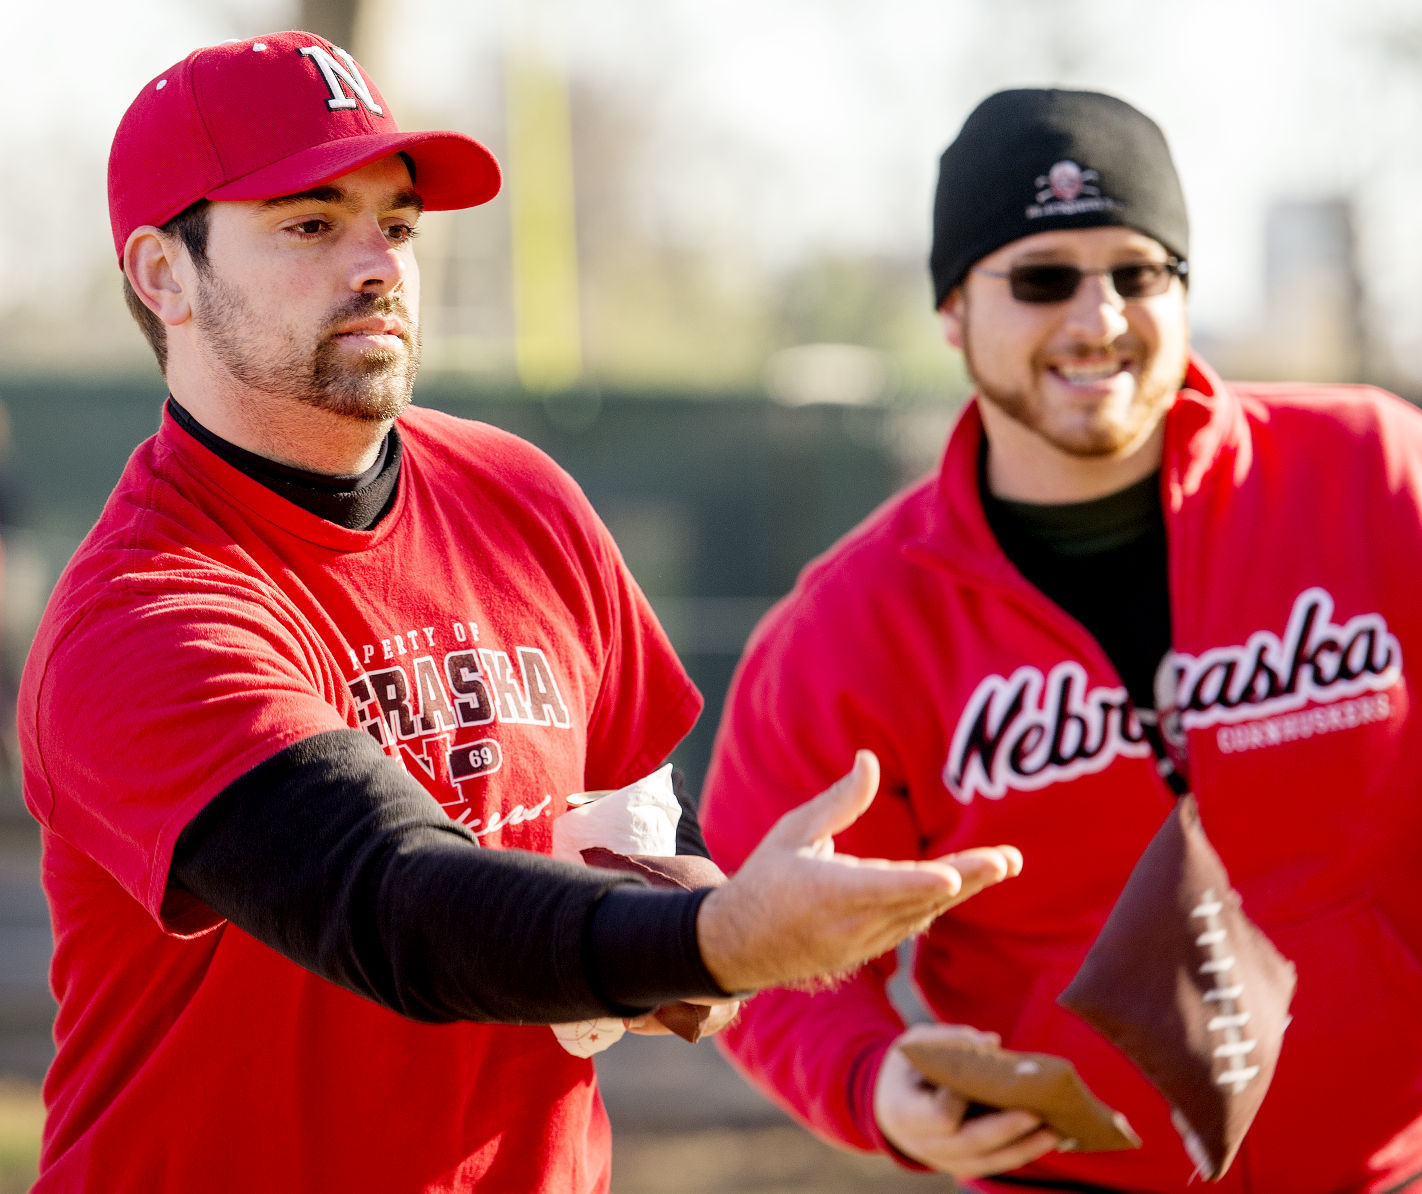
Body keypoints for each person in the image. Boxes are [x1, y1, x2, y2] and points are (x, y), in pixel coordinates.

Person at [17, 33, 1027, 1194]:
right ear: (162, 275)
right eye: (309, 224)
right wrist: (725, 938)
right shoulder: (144, 610)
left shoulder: (518, 493)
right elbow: (390, 901)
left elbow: (636, 810)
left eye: (395, 226)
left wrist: (688, 899)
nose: (379, 264)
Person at [699, 86, 1422, 1193]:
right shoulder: (852, 625)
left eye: (1138, 273)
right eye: (1041, 279)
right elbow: (760, 941)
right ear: (952, 311)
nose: (1098, 320)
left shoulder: (1376, 477)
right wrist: (870, 1079)